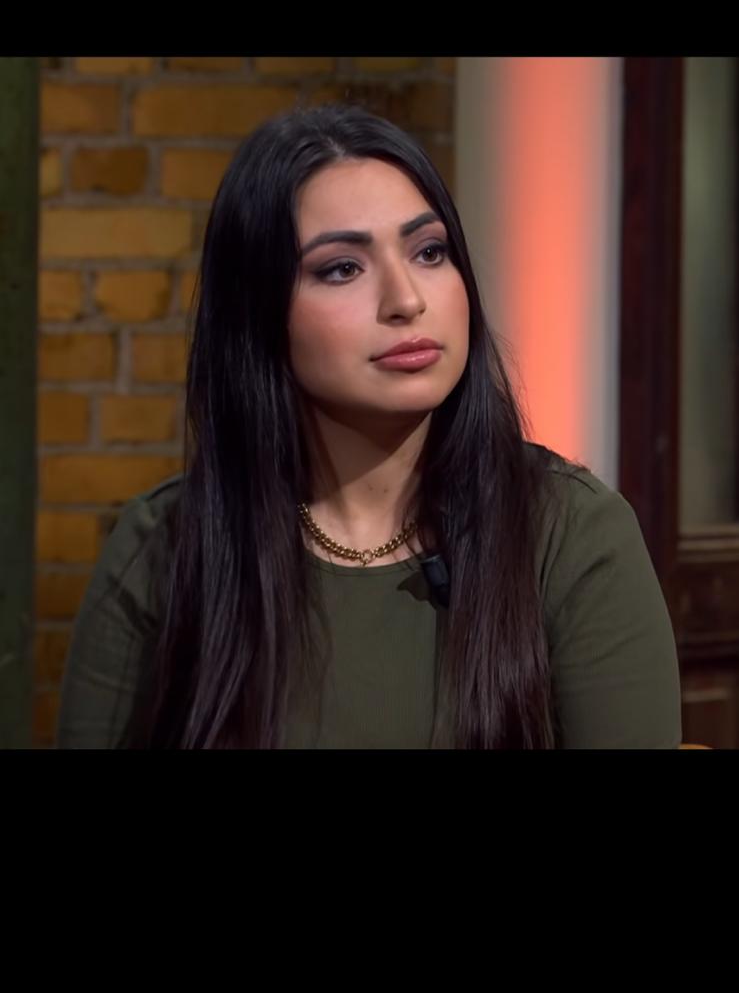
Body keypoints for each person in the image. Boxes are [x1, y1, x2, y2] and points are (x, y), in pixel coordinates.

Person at [55, 102, 683, 749]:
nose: (406, 299)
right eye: (342, 268)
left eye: (429, 252)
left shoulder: (570, 535)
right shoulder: (166, 547)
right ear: (258, 312)